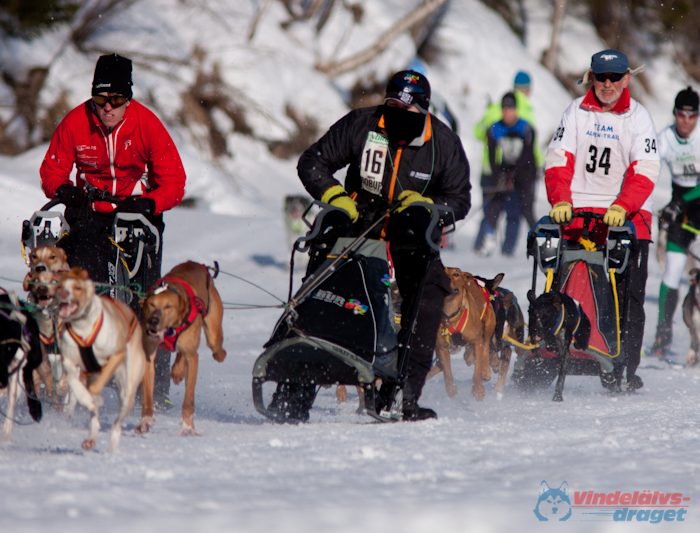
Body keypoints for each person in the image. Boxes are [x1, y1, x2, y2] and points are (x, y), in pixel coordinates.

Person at [281, 70, 471, 421]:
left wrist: (428, 207)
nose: (397, 114)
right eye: (392, 105)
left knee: (430, 293)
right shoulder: (362, 123)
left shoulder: (443, 143)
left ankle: (402, 394)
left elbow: (460, 199)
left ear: (423, 111)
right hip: (357, 223)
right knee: (324, 291)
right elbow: (312, 162)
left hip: (410, 231)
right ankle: (295, 389)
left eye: (406, 109)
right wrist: (335, 196)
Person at [545, 49, 660, 391]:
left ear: (627, 78)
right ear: (592, 77)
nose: (608, 84)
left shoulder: (638, 117)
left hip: (627, 216)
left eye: (615, 77)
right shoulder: (576, 111)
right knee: (559, 282)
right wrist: (560, 198)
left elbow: (645, 170)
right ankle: (550, 349)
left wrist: (622, 205)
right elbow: (558, 159)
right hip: (579, 213)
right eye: (601, 77)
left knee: (628, 297)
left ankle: (625, 367)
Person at [40, 53, 186, 300]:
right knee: (80, 289)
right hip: (89, 214)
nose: (108, 107)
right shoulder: (75, 123)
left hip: (136, 215)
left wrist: (149, 203)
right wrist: (63, 190)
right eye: (100, 99)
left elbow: (174, 183)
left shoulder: (148, 125)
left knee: (142, 299)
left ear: (128, 100)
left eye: (116, 100)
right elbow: (51, 172)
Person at [650, 87, 700, 358]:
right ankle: (663, 333)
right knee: (672, 270)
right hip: (682, 211)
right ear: (674, 114)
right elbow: (646, 167)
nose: (686, 121)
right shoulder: (665, 139)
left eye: (692, 116)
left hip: (688, 203)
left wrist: (677, 204)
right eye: (681, 115)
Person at [474, 71, 543, 255]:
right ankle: (486, 244)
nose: (506, 112)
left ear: (516, 109)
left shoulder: (525, 127)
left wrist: (514, 175)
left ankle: (539, 243)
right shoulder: (495, 127)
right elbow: (491, 153)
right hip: (506, 171)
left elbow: (528, 155)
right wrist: (500, 174)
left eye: (510, 108)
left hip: (525, 172)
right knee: (494, 207)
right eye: (504, 108)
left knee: (525, 211)